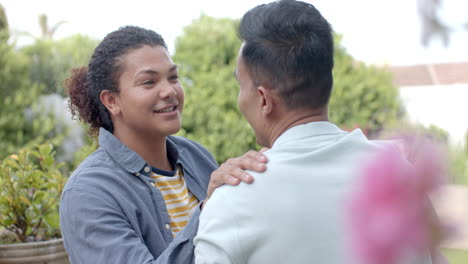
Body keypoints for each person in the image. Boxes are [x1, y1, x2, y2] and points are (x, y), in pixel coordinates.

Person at [194, 1, 441, 263]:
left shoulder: (232, 200)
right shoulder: (399, 175)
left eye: (239, 85)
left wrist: (212, 207)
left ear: (264, 100)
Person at [60, 25, 267, 264]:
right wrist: (208, 209)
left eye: (173, 77)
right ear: (112, 101)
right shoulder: (89, 192)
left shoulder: (196, 155)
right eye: (149, 82)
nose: (169, 91)